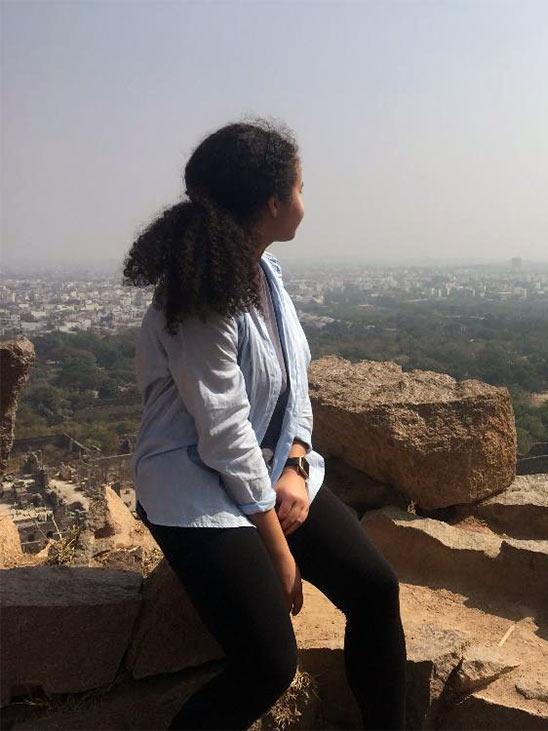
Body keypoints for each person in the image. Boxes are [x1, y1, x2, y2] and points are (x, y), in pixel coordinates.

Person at [122, 118, 407, 730]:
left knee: (376, 590)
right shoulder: (200, 298)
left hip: (271, 472)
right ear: (274, 203)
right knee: (267, 664)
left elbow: (295, 383)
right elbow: (222, 434)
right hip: (194, 486)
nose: (307, 200)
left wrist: (298, 466)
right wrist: (278, 552)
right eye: (301, 187)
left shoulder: (264, 274)